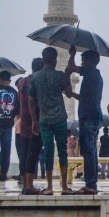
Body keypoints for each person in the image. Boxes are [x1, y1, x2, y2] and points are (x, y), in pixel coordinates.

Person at [28, 46, 74, 195]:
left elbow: (30, 100)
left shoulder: (35, 77)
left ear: (42, 60)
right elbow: (68, 94)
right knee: (62, 152)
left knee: (48, 151)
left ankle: (49, 187)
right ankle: (65, 187)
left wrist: (34, 120)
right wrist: (67, 74)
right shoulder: (60, 76)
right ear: (55, 60)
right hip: (60, 118)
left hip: (44, 119)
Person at [65, 46, 103, 195]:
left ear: (89, 61)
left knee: (88, 151)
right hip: (92, 115)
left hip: (89, 116)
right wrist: (72, 93)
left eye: (83, 60)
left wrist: (72, 54)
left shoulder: (91, 72)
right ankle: (91, 183)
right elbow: (85, 97)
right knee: (90, 150)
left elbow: (71, 68)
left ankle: (90, 184)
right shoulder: (94, 76)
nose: (82, 63)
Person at [18, 58, 44, 194]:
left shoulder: (21, 81)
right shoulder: (37, 81)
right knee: (32, 154)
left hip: (24, 122)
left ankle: (24, 184)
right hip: (35, 122)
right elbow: (35, 101)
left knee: (24, 154)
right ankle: (29, 186)